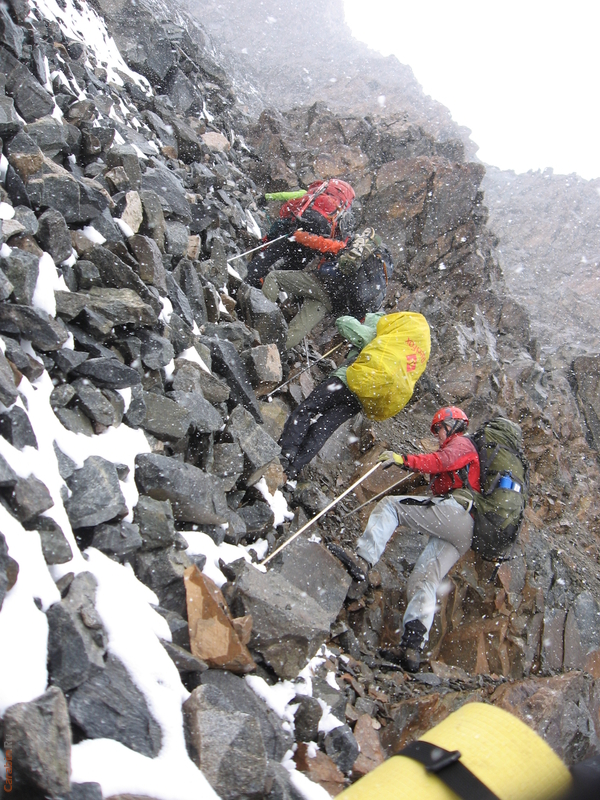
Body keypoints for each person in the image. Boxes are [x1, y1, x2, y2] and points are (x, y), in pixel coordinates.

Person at [353, 406, 481, 672]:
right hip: (464, 528)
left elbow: (442, 462)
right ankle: (412, 648)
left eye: (440, 429)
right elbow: (443, 467)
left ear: (453, 425)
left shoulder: (461, 444)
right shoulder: (461, 449)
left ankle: (362, 561)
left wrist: (403, 460)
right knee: (424, 578)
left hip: (456, 513)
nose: (438, 435)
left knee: (390, 506)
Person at [279, 312, 383, 479]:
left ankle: (287, 453)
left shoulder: (379, 327)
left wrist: (359, 323)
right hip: (361, 397)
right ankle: (294, 468)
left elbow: (344, 323)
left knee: (308, 409)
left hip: (345, 380)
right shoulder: (398, 350)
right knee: (323, 429)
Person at [262, 227, 392, 350]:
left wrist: (299, 235)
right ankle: (272, 350)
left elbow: (322, 244)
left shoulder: (350, 249)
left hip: (319, 283)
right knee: (296, 330)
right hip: (329, 302)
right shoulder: (375, 277)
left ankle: (261, 324)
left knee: (274, 278)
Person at [246, 180, 355, 287]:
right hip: (313, 243)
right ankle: (269, 285)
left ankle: (250, 278)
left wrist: (266, 198)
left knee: (274, 251)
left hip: (298, 228)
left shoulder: (310, 197)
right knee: (294, 266)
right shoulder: (339, 215)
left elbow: (285, 198)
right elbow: (336, 245)